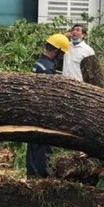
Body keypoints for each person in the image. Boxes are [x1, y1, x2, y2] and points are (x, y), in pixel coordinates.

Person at [26, 33, 70, 179]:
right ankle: (43, 176)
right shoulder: (48, 68)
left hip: (33, 108)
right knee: (44, 145)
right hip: (43, 111)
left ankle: (32, 174)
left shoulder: (38, 62)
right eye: (62, 53)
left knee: (33, 144)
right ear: (56, 51)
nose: (62, 57)